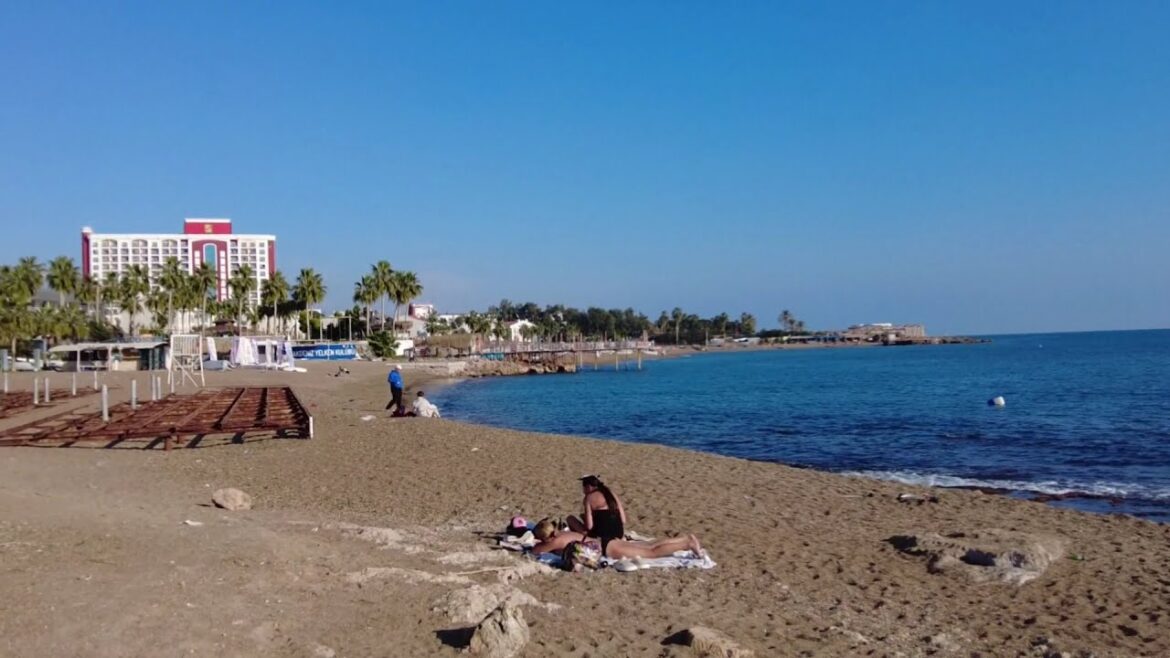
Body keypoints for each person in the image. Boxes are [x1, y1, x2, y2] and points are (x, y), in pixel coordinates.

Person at [531, 518, 702, 565]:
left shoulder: (554, 540)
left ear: (546, 537)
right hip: (605, 542)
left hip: (607, 550)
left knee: (650, 552)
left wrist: (537, 543)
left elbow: (536, 551)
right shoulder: (561, 534)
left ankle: (687, 544)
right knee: (648, 545)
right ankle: (685, 539)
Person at [566, 475, 626, 547]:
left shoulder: (589, 497)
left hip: (601, 537)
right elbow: (623, 520)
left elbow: (589, 526)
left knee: (570, 519)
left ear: (588, 487)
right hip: (619, 534)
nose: (583, 491)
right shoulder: (611, 494)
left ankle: (578, 542)